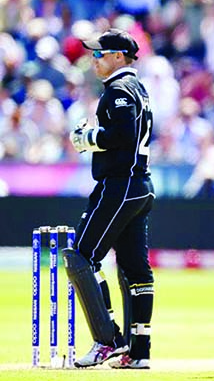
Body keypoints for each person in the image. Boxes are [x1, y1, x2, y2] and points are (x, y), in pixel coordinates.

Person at [63, 29, 154, 368]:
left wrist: (88, 137)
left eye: (100, 54)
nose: (94, 59)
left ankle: (107, 340)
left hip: (119, 186)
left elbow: (123, 135)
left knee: (81, 256)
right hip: (139, 186)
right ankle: (138, 351)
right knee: (135, 270)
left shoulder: (119, 89)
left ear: (119, 56)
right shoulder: (138, 88)